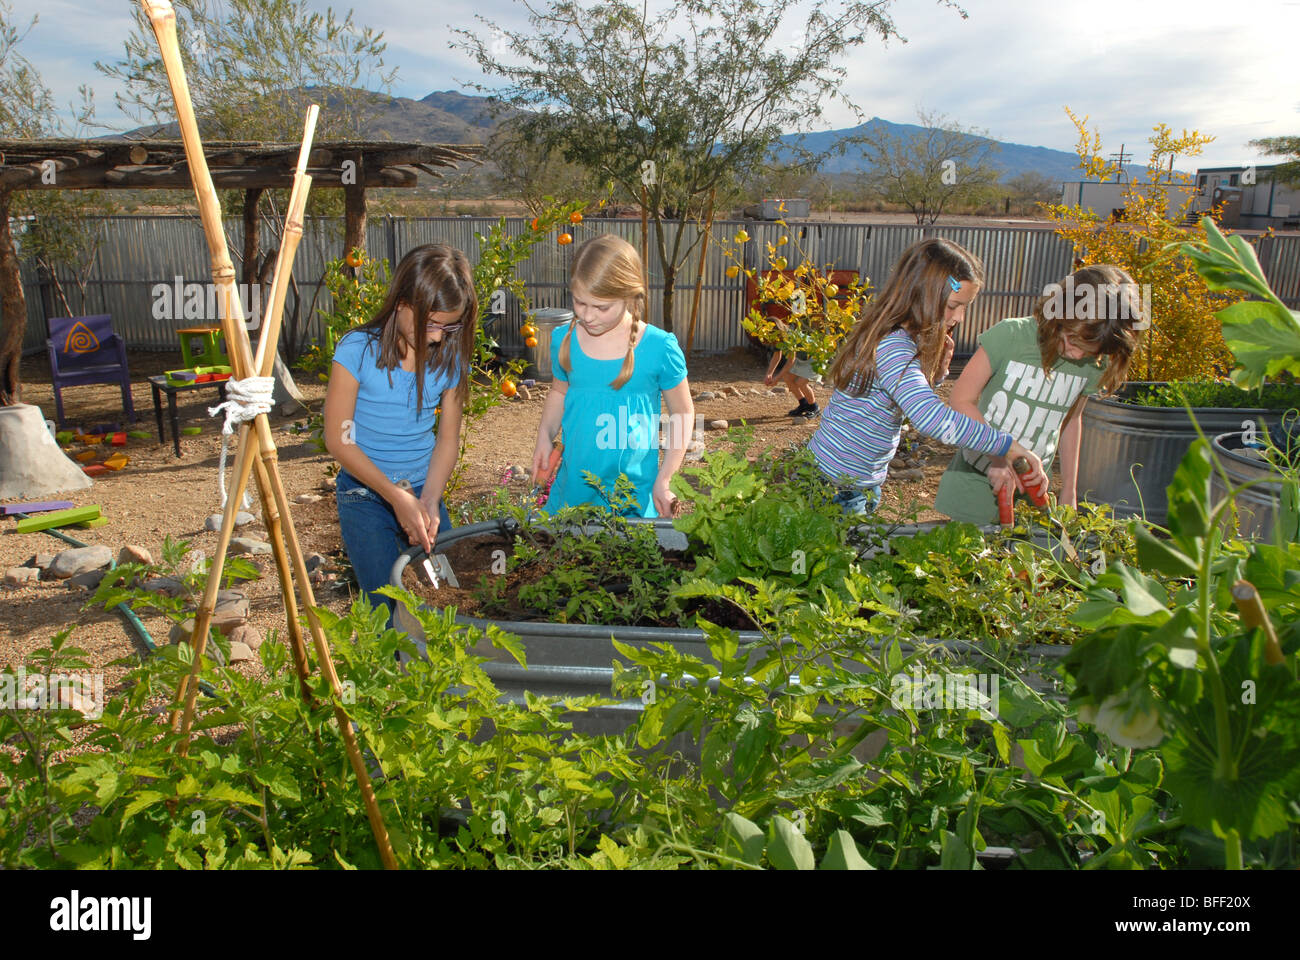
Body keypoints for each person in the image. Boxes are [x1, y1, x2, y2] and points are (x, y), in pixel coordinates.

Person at [808, 237, 1046, 516]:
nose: (960, 317)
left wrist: (935, 376)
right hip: (838, 486)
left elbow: (893, 398)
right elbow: (930, 417)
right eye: (954, 305)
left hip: (856, 480)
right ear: (923, 294)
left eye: (965, 306)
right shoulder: (894, 346)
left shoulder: (899, 338)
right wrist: (1006, 446)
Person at [323, 243, 475, 622]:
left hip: (425, 493)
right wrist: (394, 497)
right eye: (433, 324)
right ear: (403, 303)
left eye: (449, 326)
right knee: (387, 611)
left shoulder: (449, 359)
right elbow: (338, 439)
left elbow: (447, 440)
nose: (440, 337)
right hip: (365, 496)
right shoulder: (357, 351)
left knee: (445, 604)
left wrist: (429, 501)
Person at [934, 264, 1143, 524]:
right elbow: (960, 400)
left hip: (1033, 489)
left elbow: (1071, 422)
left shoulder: (1092, 365)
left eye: (1091, 350)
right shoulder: (1009, 336)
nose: (1078, 355)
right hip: (979, 477)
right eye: (1073, 341)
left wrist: (1068, 490)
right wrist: (998, 457)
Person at [533, 234, 693, 518]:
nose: (588, 316)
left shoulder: (659, 347)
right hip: (573, 496)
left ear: (629, 295)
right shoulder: (564, 340)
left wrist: (666, 479)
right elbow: (559, 393)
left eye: (601, 307)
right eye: (580, 303)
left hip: (634, 499)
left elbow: (682, 412)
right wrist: (545, 435)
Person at [764, 346, 820, 417]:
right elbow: (777, 355)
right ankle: (804, 404)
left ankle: (814, 408)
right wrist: (769, 374)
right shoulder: (776, 338)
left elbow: (790, 361)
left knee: (801, 382)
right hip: (801, 358)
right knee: (787, 377)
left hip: (817, 355)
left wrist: (777, 379)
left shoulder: (788, 336)